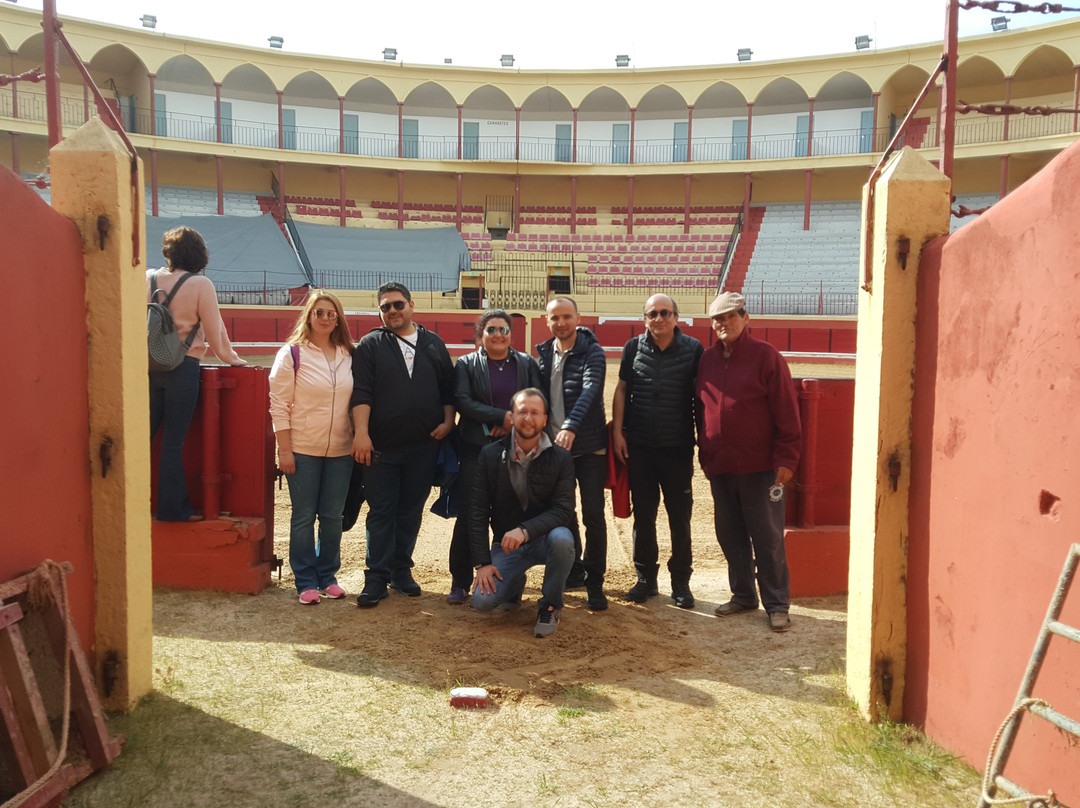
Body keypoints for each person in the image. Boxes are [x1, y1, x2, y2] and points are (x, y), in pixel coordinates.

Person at [696, 292, 802, 633]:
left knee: (767, 537)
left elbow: (787, 412)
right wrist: (705, 451)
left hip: (761, 468)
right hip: (722, 466)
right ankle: (743, 594)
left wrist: (787, 458)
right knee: (730, 534)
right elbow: (702, 410)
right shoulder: (708, 360)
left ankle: (777, 604)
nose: (724, 323)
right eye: (718, 319)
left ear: (746, 317)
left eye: (731, 316)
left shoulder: (767, 357)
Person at [350, 282, 455, 607]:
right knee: (382, 512)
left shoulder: (434, 343)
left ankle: (401, 570)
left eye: (397, 305)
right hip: (381, 447)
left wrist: (449, 421)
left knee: (410, 512)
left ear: (411, 305)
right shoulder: (370, 344)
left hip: (423, 448)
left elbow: (448, 389)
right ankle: (376, 577)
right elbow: (362, 392)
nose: (392, 311)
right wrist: (361, 433)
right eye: (385, 307)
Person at [147, 226, 247, 522]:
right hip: (182, 367)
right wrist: (232, 359)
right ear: (199, 254)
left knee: (141, 440)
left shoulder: (149, 278)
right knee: (173, 442)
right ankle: (173, 509)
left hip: (148, 367)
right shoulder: (201, 284)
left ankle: (129, 503)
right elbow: (215, 332)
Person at [611, 293, 703, 609]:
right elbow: (622, 389)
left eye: (665, 313)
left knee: (680, 518)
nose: (659, 319)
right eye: (653, 314)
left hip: (677, 449)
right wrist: (618, 434)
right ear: (645, 318)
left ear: (676, 318)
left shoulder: (693, 350)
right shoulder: (633, 348)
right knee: (645, 516)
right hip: (640, 447)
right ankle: (646, 580)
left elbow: (701, 399)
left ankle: (681, 583)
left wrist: (703, 439)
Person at [447, 310, 542, 605]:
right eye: (491, 330)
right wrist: (502, 416)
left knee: (512, 514)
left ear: (511, 333)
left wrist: (515, 422)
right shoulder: (465, 364)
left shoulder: (526, 363)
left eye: (503, 329)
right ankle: (460, 580)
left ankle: (511, 579)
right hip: (477, 448)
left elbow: (536, 396)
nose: (498, 334)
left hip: (517, 450)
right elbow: (463, 400)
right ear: (481, 334)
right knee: (469, 514)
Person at [269, 292, 355, 605]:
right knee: (304, 516)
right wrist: (285, 449)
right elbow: (278, 404)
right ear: (309, 315)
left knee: (332, 517)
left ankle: (327, 576)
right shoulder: (292, 354)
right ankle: (305, 580)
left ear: (338, 318)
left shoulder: (348, 353)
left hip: (341, 451)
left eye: (332, 313)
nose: (325, 318)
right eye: (319, 312)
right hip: (303, 449)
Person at [470, 388, 576, 638]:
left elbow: (564, 510)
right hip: (507, 546)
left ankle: (550, 605)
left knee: (562, 538)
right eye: (522, 412)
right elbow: (477, 510)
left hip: (546, 540)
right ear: (511, 416)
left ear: (545, 419)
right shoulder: (490, 455)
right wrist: (483, 563)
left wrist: (525, 531)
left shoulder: (561, 458)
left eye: (535, 413)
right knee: (482, 603)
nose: (528, 418)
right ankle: (515, 583)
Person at [536, 296, 609, 611]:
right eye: (555, 318)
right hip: (554, 450)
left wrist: (570, 427)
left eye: (567, 316)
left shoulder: (593, 352)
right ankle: (575, 570)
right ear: (547, 320)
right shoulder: (542, 355)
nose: (561, 323)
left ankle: (595, 583)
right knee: (564, 513)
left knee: (593, 514)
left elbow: (591, 392)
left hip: (589, 448)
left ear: (578, 318)